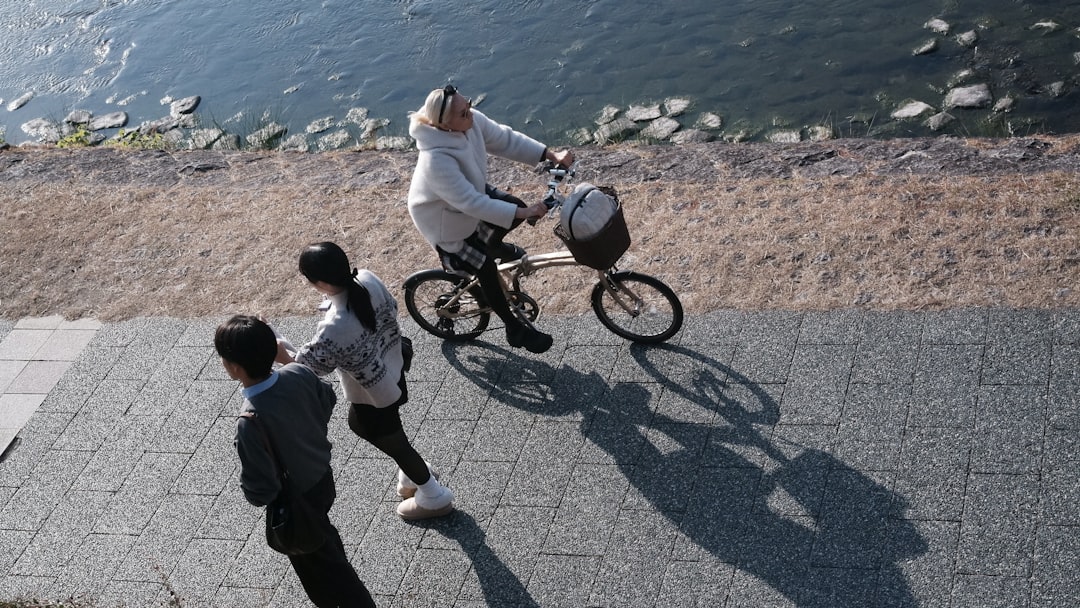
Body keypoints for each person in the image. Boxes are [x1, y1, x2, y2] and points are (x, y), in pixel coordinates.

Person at [272, 241, 454, 520]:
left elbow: (309, 367)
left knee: (390, 439)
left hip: (375, 393)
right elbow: (390, 308)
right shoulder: (367, 278)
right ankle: (412, 475)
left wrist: (278, 349)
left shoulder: (337, 325)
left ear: (319, 282)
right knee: (391, 433)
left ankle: (433, 494)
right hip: (393, 367)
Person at [216, 314, 376, 608]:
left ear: (235, 367)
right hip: (321, 477)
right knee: (323, 537)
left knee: (321, 570)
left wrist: (256, 494)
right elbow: (327, 400)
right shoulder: (298, 374)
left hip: (295, 501)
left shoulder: (249, 421)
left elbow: (259, 488)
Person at [406, 84, 574, 354]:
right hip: (446, 223)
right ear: (444, 125)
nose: (470, 113)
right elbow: (471, 204)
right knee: (486, 270)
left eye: (469, 105)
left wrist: (549, 155)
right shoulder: (435, 161)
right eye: (463, 113)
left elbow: (505, 139)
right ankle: (514, 328)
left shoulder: (468, 121)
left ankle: (493, 246)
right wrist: (525, 213)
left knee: (512, 209)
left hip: (469, 193)